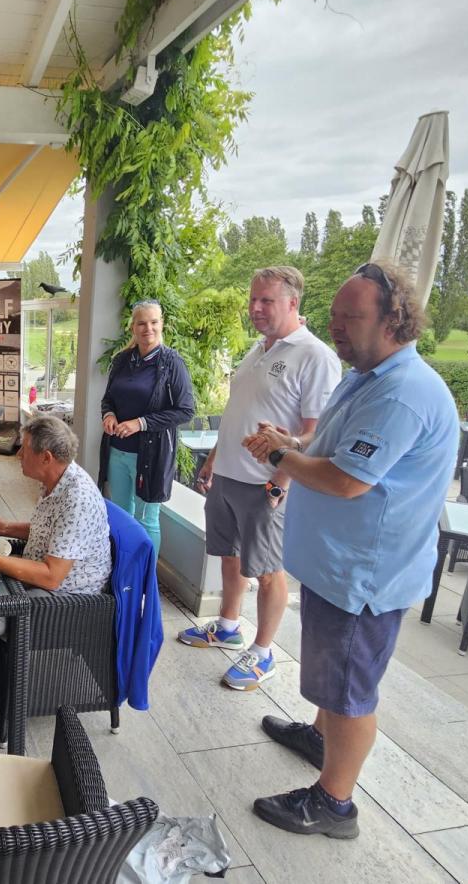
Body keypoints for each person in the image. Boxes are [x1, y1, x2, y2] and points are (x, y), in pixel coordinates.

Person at [241, 262, 459, 840]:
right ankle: (321, 737)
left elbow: (346, 480)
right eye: (334, 315)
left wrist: (278, 457)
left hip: (365, 574)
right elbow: (333, 443)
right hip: (338, 565)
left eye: (351, 317)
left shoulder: (402, 393)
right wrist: (293, 441)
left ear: (393, 319)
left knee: (350, 693)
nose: (337, 326)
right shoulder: (368, 376)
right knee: (335, 680)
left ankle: (334, 803)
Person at [181, 267, 341, 692]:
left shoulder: (314, 356)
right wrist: (214, 459)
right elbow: (239, 411)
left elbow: (318, 433)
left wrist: (281, 479)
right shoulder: (258, 349)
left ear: (293, 302)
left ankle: (264, 652)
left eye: (266, 300)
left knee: (269, 570)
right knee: (229, 557)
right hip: (229, 475)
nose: (255, 308)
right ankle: (228, 626)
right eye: (253, 299)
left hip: (266, 484)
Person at [0, 415, 111, 726]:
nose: (17, 454)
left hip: (66, 601)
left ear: (46, 457)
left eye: (24, 448)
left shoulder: (77, 499)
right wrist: (5, 528)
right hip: (45, 577)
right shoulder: (58, 480)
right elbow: (47, 532)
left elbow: (52, 577)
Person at [98, 299, 195, 553]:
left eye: (153, 322)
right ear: (133, 327)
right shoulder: (121, 360)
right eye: (141, 323)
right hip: (117, 452)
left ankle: (145, 574)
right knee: (120, 515)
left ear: (162, 324)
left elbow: (186, 410)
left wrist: (141, 423)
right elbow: (108, 399)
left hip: (151, 456)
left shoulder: (172, 362)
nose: (148, 328)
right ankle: (122, 567)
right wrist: (109, 415)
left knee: (147, 520)